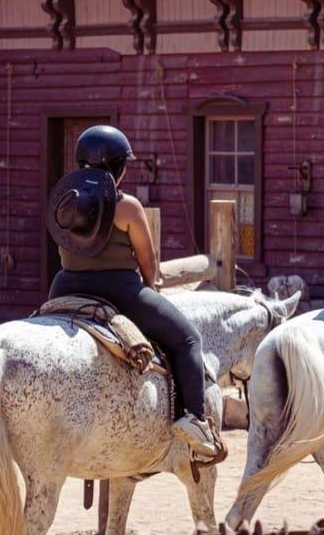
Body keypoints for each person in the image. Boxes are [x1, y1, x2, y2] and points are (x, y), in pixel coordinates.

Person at [46, 124, 222, 459]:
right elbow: (148, 263)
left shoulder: (64, 201)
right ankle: (195, 419)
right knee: (188, 340)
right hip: (120, 291)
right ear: (118, 167)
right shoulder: (127, 207)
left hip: (64, 286)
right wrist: (151, 285)